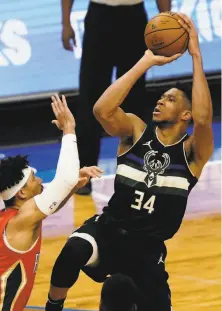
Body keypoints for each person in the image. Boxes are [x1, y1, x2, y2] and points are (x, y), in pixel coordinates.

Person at [45, 14, 213, 311]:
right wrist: (146, 62)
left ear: (185, 115)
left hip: (146, 250)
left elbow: (203, 118)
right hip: (108, 231)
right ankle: (52, 307)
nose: (160, 101)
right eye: (161, 97)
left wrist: (196, 54)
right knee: (73, 249)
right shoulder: (136, 130)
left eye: (170, 99)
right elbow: (102, 110)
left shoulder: (192, 153)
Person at [0, 94, 103, 311]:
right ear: (22, 193)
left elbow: (53, 201)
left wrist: (73, 186)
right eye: (33, 179)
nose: (39, 180)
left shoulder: (16, 217)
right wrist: (69, 130)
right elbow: (63, 180)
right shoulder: (22, 219)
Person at [62, 0, 172, 194]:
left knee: (134, 101)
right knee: (91, 99)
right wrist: (65, 22)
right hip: (99, 16)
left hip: (134, 17)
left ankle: (137, 172)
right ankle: (84, 175)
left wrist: (167, 20)